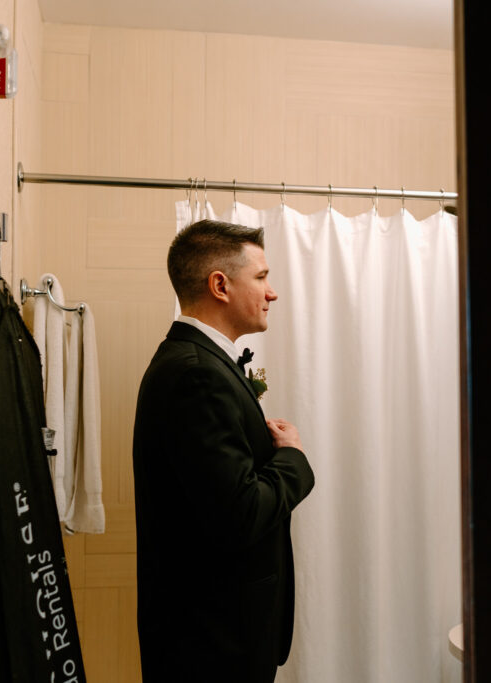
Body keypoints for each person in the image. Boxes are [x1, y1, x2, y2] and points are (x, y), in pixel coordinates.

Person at [132, 219, 315, 682]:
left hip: (214, 636)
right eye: (261, 277)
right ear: (220, 285)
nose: (272, 292)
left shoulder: (200, 362)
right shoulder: (197, 374)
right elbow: (241, 513)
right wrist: (292, 457)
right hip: (211, 646)